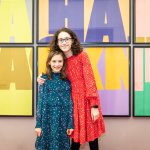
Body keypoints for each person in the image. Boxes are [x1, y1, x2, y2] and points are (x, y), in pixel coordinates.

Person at [38, 27, 105, 150]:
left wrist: (94, 106)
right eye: (61, 40)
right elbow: (52, 73)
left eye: (66, 39)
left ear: (72, 40)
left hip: (86, 101)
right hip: (71, 103)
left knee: (92, 138)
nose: (64, 42)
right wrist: (40, 77)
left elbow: (90, 81)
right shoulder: (60, 59)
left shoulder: (82, 56)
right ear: (57, 43)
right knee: (75, 138)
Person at [35, 50, 74, 150]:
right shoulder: (43, 79)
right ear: (49, 62)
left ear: (63, 62)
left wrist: (70, 124)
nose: (57, 64)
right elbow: (40, 103)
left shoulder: (67, 81)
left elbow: (69, 104)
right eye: (54, 61)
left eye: (60, 61)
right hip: (46, 120)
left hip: (62, 120)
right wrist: (38, 124)